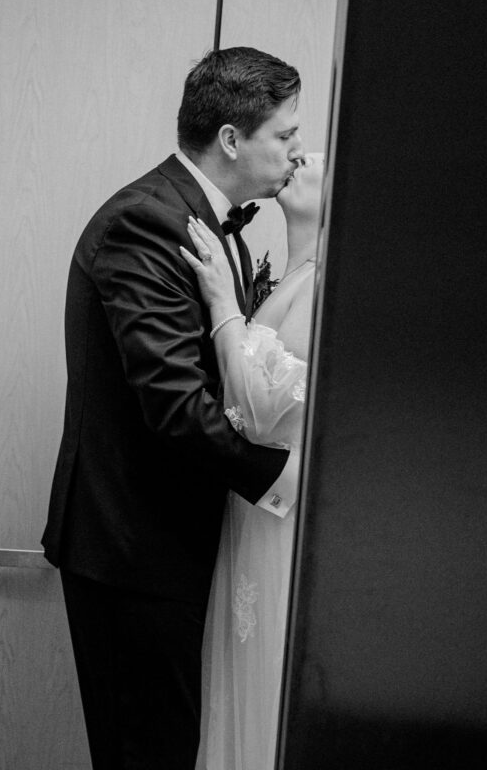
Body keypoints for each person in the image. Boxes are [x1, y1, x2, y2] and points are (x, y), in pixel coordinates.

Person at [41, 46, 305, 770]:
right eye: (284, 134)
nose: (296, 149)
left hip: (170, 546)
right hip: (135, 549)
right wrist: (283, 480)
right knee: (146, 755)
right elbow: (173, 404)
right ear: (230, 139)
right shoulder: (146, 221)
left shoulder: (201, 219)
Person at [180, 154, 324, 770]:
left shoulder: (326, 282)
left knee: (267, 679)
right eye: (290, 140)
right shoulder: (298, 272)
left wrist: (221, 307)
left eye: (319, 155)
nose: (300, 157)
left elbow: (262, 409)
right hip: (252, 513)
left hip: (284, 512)